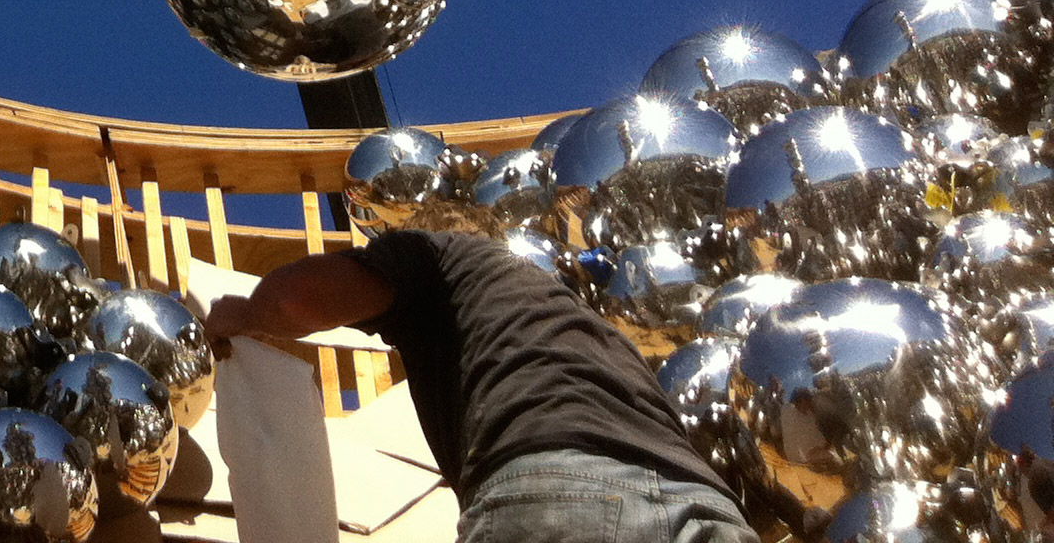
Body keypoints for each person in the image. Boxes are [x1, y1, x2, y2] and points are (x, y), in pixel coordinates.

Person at [204, 228, 756, 543]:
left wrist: (247, 314)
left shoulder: (447, 255)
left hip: (562, 491)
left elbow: (297, 298)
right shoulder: (603, 338)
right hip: (709, 508)